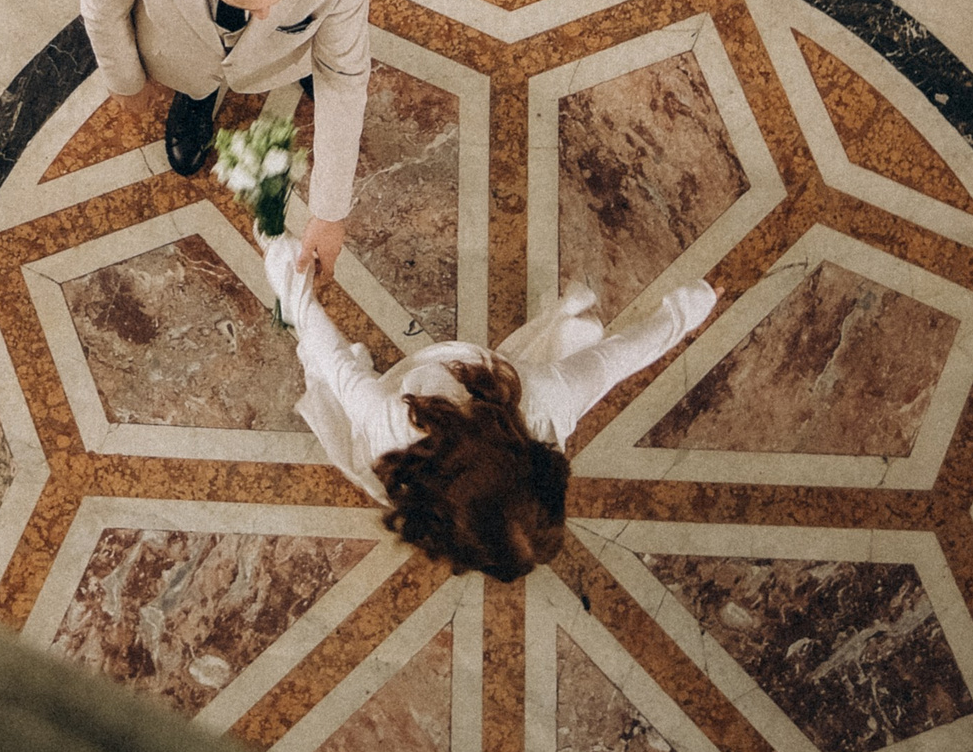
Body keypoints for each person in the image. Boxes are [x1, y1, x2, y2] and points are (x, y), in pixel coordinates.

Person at [263, 242, 719, 582]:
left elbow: (332, 355)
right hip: (434, 411)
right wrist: (693, 307)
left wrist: (284, 259)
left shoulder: (394, 428)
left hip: (431, 400)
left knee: (344, 388)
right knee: (348, 396)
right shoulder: (545, 402)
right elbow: (621, 357)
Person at [79, 0, 368, 272]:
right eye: (247, 3)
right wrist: (125, 81)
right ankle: (197, 96)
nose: (265, 14)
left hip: (284, 56)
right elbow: (101, 12)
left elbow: (342, 76)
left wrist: (329, 213)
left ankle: (289, 72)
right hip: (185, 54)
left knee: (317, 72)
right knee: (197, 78)